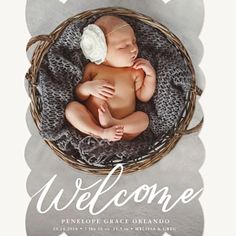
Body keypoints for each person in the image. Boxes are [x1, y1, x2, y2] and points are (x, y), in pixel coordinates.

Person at [65, 15, 156, 141]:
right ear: (102, 52)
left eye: (134, 41)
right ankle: (101, 132)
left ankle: (114, 123)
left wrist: (151, 75)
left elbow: (144, 97)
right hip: (91, 123)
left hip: (123, 130)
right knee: (71, 108)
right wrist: (87, 88)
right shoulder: (93, 68)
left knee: (143, 118)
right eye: (124, 46)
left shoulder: (135, 71)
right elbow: (79, 96)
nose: (134, 49)